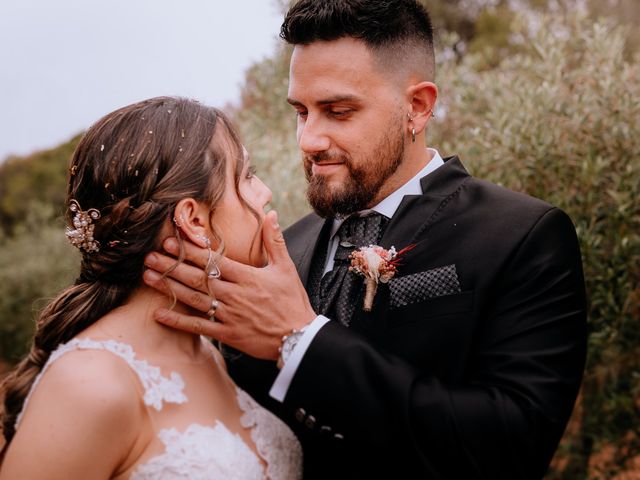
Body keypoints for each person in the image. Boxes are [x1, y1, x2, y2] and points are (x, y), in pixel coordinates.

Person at [142, 1, 588, 478]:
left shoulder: (523, 236)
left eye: (338, 111)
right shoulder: (280, 252)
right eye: (301, 112)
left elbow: (510, 446)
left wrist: (303, 342)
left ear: (417, 107)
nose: (309, 139)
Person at [0, 97, 302, 479]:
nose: (264, 193)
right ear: (193, 219)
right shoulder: (89, 383)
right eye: (246, 176)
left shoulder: (212, 354)